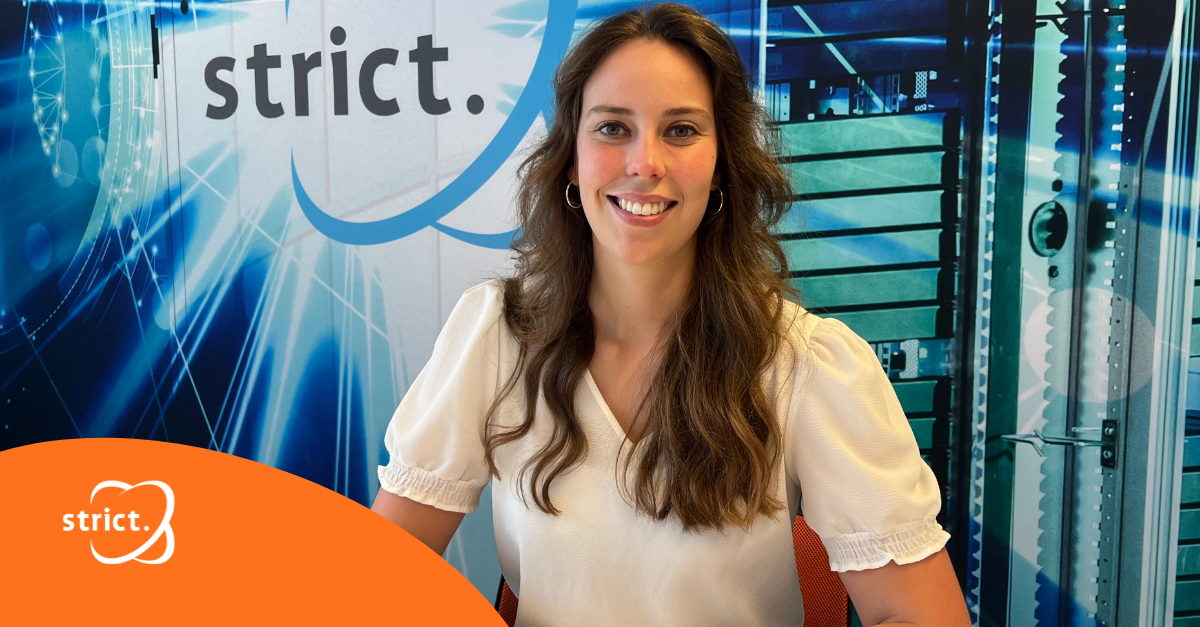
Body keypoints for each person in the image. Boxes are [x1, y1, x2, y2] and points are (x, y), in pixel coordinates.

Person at [371, 3, 971, 626]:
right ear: (571, 158)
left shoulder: (805, 364)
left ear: (721, 166)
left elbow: (921, 616)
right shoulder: (497, 334)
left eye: (681, 130)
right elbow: (378, 579)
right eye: (612, 128)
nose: (645, 163)